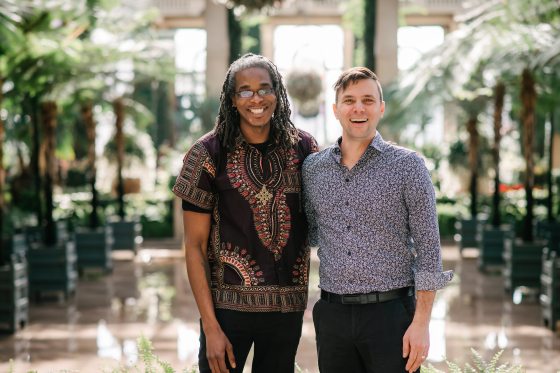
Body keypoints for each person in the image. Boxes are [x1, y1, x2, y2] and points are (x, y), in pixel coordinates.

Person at [172, 53, 318, 373]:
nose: (256, 98)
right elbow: (194, 247)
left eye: (265, 88)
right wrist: (211, 328)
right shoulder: (207, 154)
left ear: (278, 94)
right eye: (245, 91)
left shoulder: (305, 149)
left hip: (287, 310)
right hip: (227, 315)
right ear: (232, 99)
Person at [302, 67, 453, 373]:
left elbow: (429, 250)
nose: (358, 108)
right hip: (332, 317)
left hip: (391, 317)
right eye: (349, 100)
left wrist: (421, 324)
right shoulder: (313, 169)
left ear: (380, 108)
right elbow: (312, 234)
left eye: (368, 100)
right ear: (335, 109)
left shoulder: (408, 166)